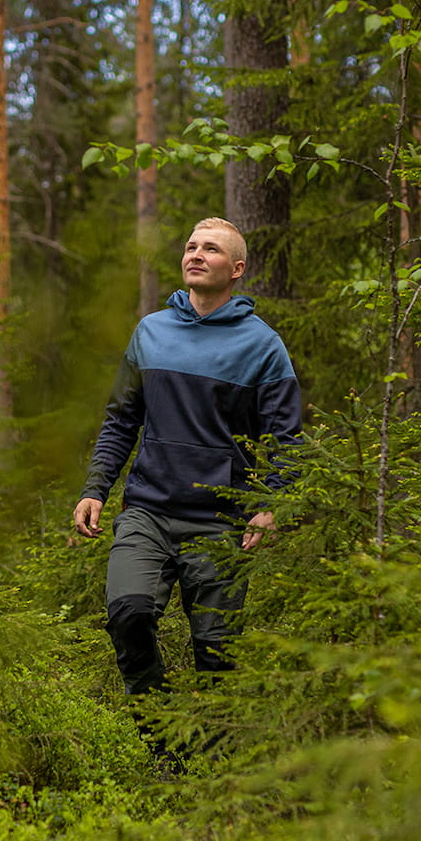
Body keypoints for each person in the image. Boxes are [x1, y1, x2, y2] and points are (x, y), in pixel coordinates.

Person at [72, 217, 303, 695]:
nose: (196, 254)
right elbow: (120, 420)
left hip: (220, 523)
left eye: (211, 249)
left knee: (217, 654)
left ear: (236, 269)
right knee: (128, 615)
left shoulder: (263, 345)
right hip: (147, 512)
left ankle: (213, 759)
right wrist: (95, 489)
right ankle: (160, 737)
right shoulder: (150, 332)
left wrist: (271, 505)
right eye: (191, 246)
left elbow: (286, 437)